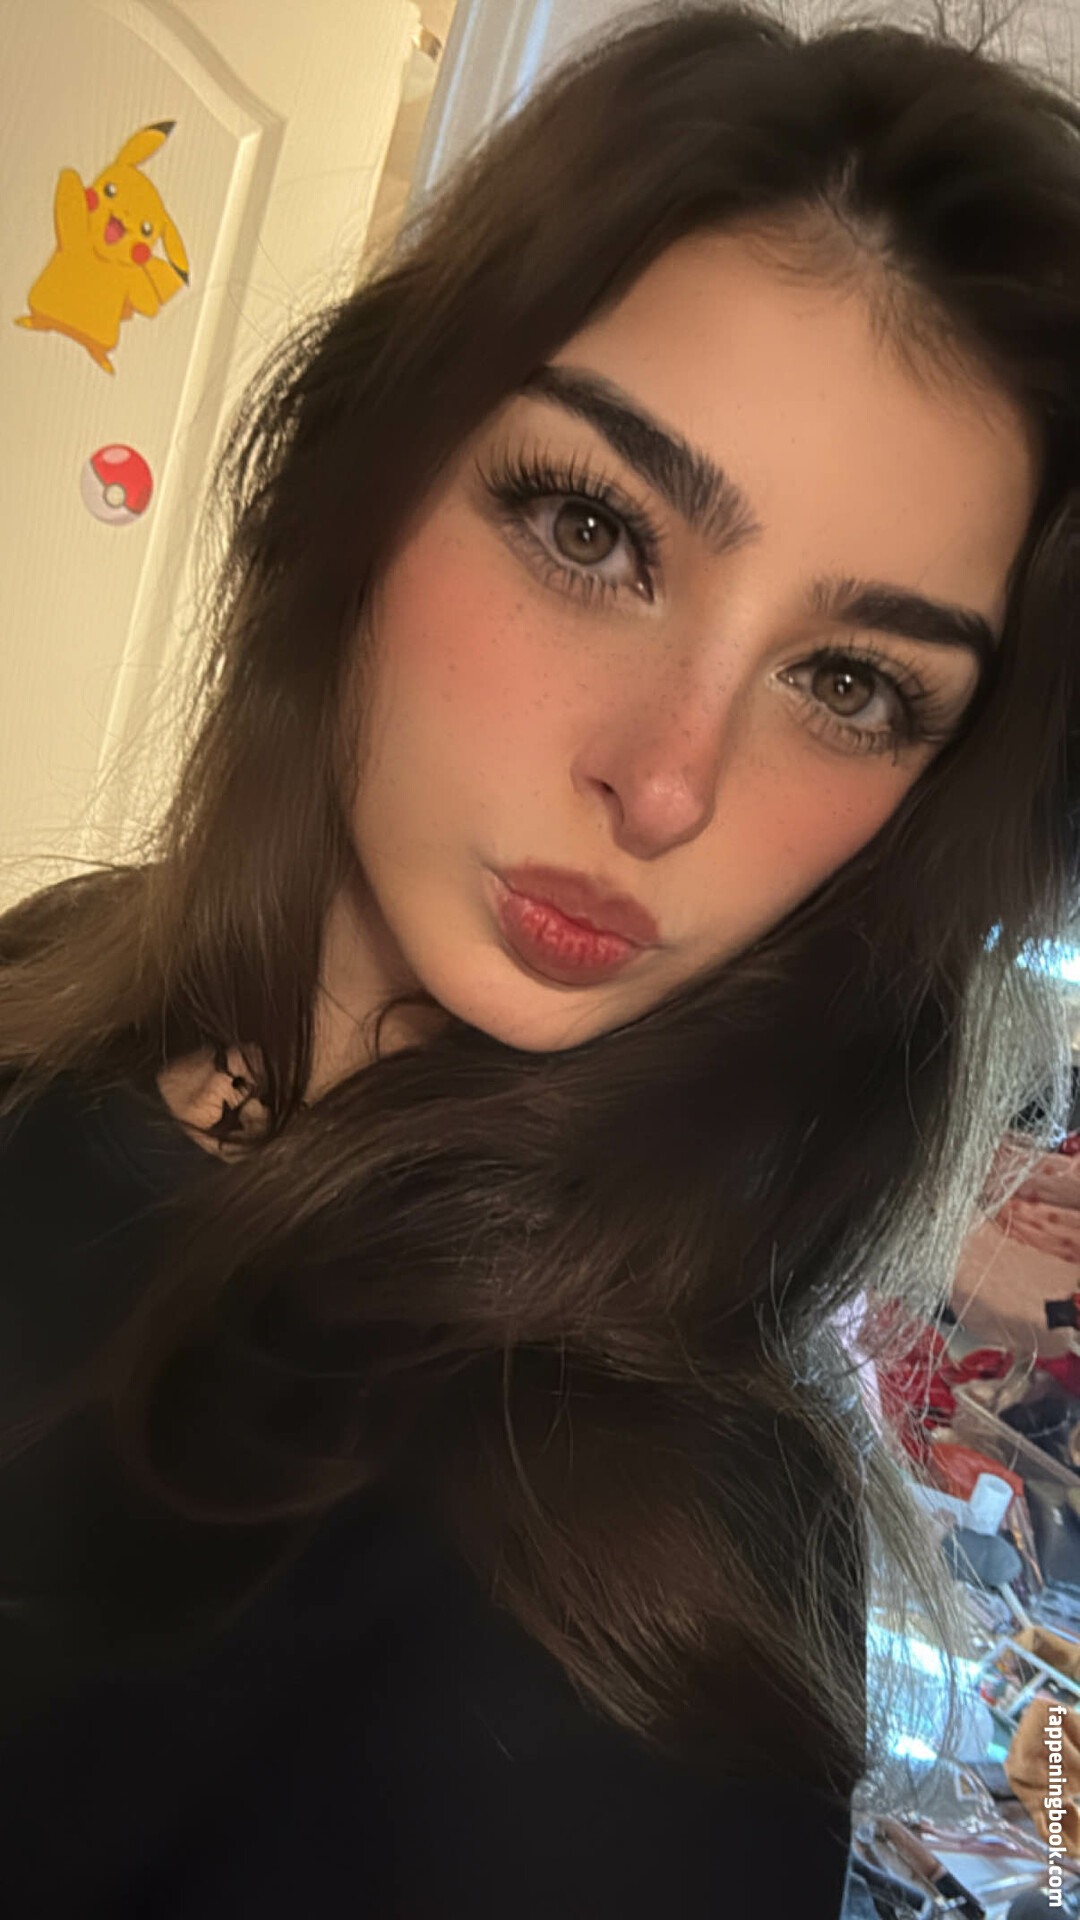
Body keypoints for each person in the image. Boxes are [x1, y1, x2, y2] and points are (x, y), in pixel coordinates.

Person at [1, 1, 1078, 1912]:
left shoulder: (639, 1603)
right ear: (367, 468)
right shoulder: (63, 982)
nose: (667, 783)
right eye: (593, 528)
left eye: (849, 683)